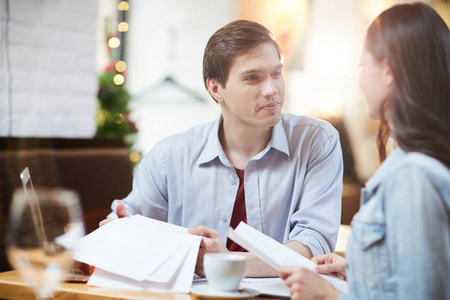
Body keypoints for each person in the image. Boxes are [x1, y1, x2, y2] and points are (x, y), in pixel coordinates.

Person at [101, 20, 344, 277]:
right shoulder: (168, 156)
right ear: (216, 88)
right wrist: (119, 231)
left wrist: (226, 263)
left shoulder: (317, 141)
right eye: (252, 78)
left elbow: (313, 244)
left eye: (276, 73)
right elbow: (132, 224)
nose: (272, 89)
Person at [280, 2, 450, 299]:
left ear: (388, 70)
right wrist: (361, 272)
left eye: (362, 64)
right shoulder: (411, 163)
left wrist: (329, 295)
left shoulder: (414, 177)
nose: (358, 78)